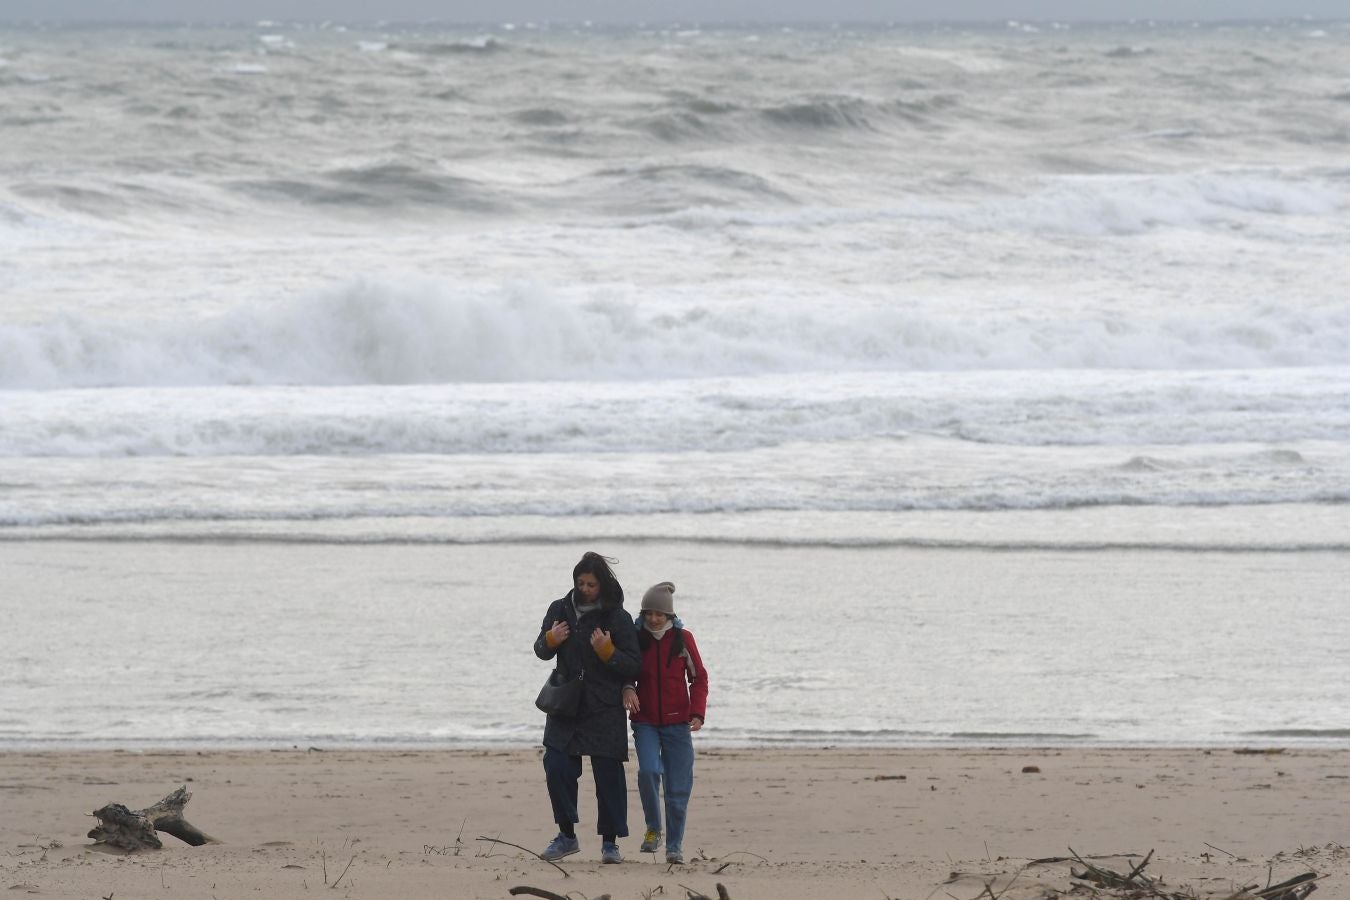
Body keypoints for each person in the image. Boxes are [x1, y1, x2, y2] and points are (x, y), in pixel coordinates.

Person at [534, 552, 641, 864]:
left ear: (602, 584)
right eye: (580, 583)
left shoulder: (617, 617)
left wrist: (609, 653)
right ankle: (566, 836)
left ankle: (610, 844)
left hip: (604, 705)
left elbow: (634, 665)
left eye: (591, 584)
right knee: (556, 766)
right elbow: (540, 650)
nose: (584, 589)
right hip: (565, 702)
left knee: (608, 775)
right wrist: (551, 639)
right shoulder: (559, 608)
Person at [621, 581, 708, 865]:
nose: (654, 618)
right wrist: (627, 687)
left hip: (677, 724)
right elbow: (624, 671)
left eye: (659, 614)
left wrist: (697, 712)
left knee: (678, 789)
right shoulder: (635, 637)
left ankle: (674, 846)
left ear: (669, 615)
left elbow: (699, 678)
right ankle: (653, 828)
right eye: (649, 613)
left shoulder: (683, 639)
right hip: (645, 721)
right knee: (648, 771)